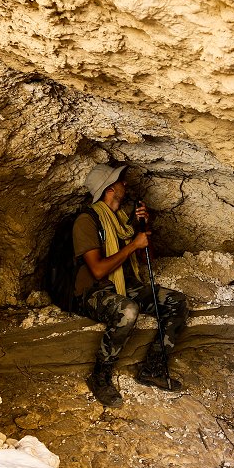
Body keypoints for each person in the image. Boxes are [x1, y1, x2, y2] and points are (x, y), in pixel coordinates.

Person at [72, 162, 189, 407]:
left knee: (176, 302)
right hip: (94, 291)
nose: (124, 183)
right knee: (127, 310)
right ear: (109, 189)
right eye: (119, 181)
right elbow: (98, 269)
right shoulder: (86, 221)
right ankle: (100, 377)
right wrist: (133, 244)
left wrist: (143, 228)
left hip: (125, 285)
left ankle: (152, 369)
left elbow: (148, 257)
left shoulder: (121, 221)